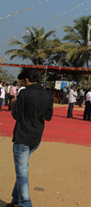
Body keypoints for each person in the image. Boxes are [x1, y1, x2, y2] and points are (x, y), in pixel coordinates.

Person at [9, 68, 53, 207]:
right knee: (22, 169)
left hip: (23, 135)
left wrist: (14, 104)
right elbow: (48, 116)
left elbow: (16, 115)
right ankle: (16, 199)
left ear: (26, 79)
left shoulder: (25, 93)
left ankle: (25, 204)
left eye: (23, 81)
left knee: (21, 171)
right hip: (36, 136)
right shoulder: (47, 94)